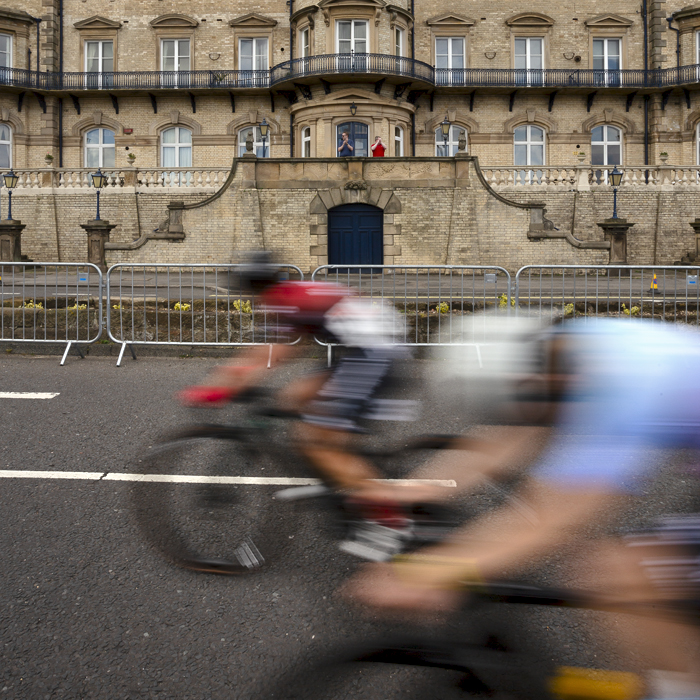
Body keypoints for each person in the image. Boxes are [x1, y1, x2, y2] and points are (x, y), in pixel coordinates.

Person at [344, 319, 700, 697]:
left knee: (622, 570)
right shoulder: (563, 349)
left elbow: (549, 522)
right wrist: (408, 490)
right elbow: (504, 440)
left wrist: (426, 573)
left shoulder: (623, 388)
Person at [178, 254, 421, 501]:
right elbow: (276, 350)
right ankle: (343, 466)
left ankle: (388, 519)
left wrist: (222, 385)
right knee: (293, 398)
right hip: (362, 349)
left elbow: (273, 355)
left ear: (253, 287)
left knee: (315, 439)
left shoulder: (281, 300)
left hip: (373, 354)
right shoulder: (292, 292)